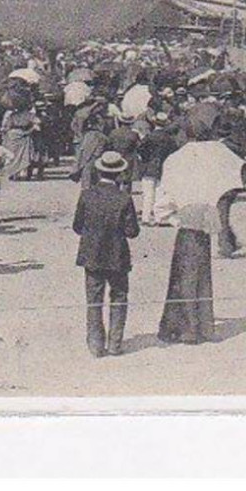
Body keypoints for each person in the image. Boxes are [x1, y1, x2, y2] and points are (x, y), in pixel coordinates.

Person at [73, 150, 141, 357]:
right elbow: (132, 232)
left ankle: (95, 344)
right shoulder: (124, 198)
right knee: (119, 296)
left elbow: (77, 226)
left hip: (92, 254)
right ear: (119, 174)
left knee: (94, 298)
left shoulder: (87, 195)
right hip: (117, 254)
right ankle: (115, 344)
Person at [157, 186, 218, 346]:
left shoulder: (181, 187)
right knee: (191, 281)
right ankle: (196, 328)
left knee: (189, 280)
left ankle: (188, 328)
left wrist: (177, 220)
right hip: (193, 236)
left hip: (194, 236)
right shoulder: (208, 188)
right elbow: (161, 211)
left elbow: (161, 211)